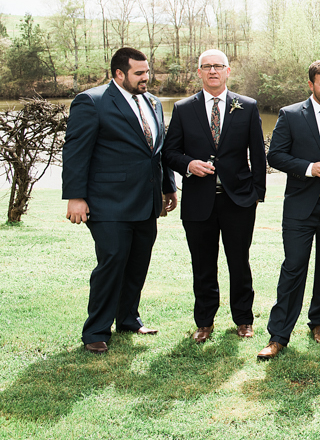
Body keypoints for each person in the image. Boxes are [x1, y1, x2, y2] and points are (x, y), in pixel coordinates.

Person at [62, 47, 177, 354]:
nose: (146, 78)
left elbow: (158, 152)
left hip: (146, 200)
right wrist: (76, 197)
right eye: (139, 73)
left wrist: (168, 187)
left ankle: (128, 318)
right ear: (118, 74)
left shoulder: (153, 102)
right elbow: (76, 152)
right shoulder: (92, 102)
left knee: (138, 262)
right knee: (112, 260)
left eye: (147, 72)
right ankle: (96, 331)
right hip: (107, 202)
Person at [256, 61, 320, 359]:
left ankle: (319, 323)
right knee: (293, 267)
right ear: (311, 85)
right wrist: (308, 168)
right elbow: (274, 155)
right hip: (300, 206)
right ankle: (278, 336)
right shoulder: (290, 115)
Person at [162, 50, 266, 343]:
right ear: (199, 72)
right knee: (203, 264)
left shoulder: (246, 106)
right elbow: (169, 152)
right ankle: (204, 322)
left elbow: (258, 153)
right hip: (198, 200)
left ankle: (244, 319)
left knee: (239, 261)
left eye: (218, 66)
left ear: (228, 71)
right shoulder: (183, 108)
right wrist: (188, 164)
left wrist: (257, 193)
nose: (212, 71)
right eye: (206, 67)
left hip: (238, 200)